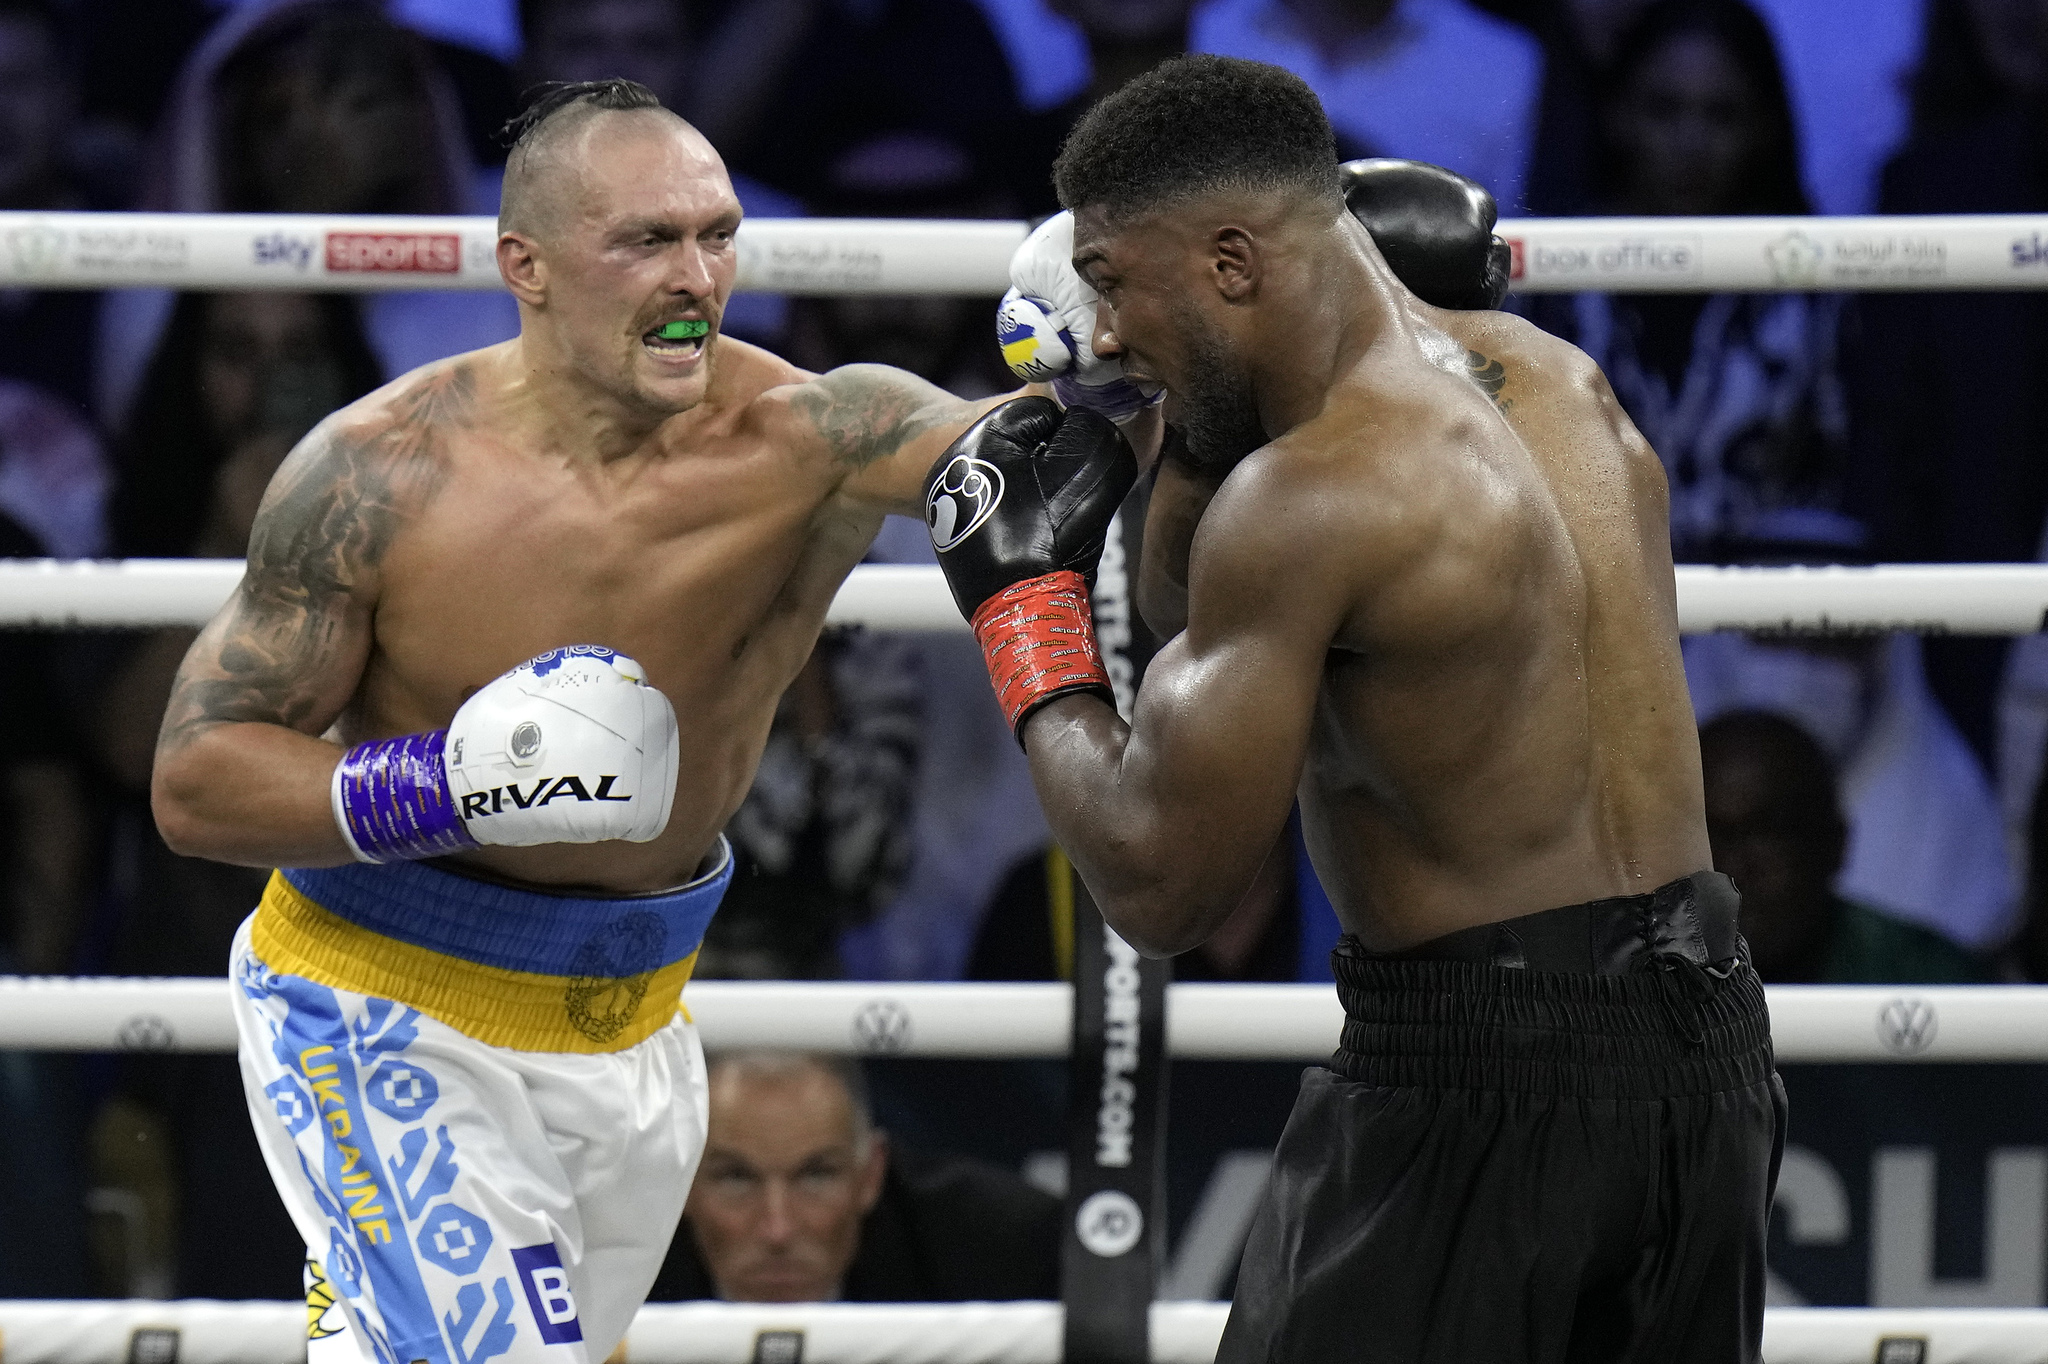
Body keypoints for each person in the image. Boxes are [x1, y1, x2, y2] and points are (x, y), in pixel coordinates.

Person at [925, 56, 1779, 1360]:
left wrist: (1020, 611)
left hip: (1486, 1077)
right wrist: (1176, 427)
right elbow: (1203, 623)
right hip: (1707, 1057)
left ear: (1231, 262)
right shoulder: (1565, 391)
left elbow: (1160, 888)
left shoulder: (1320, 494)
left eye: (1111, 279)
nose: (1096, 332)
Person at [650, 1052, 1059, 1301]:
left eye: (816, 1176)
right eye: (736, 1179)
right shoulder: (605, 1272)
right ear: (682, 1179)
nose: (778, 1230)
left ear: (871, 1174)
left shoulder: (996, 1253)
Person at [1699, 710, 1989, 984]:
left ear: (1835, 844)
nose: (1735, 866)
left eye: (1768, 833)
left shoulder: (1926, 978)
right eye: (1711, 835)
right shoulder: (1655, 974)